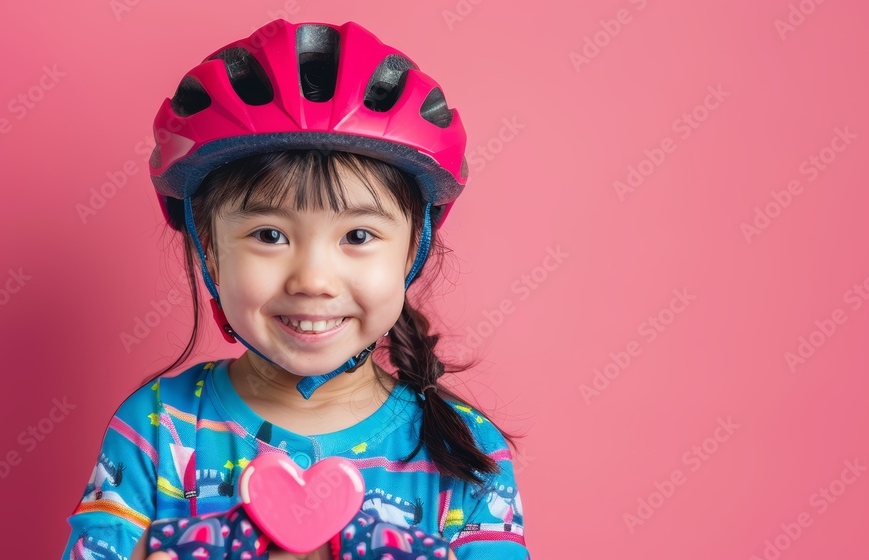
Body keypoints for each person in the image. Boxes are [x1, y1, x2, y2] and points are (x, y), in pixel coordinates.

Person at [60, 19, 530, 560]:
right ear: (209, 248)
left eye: (357, 235)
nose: (312, 280)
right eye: (269, 234)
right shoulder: (157, 430)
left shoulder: (466, 454)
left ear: (411, 251)